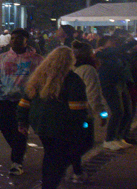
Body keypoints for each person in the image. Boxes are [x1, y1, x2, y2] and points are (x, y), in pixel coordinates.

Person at [17, 47, 90, 189]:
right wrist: (81, 126)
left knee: (50, 154)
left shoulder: (38, 77)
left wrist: (22, 121)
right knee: (59, 158)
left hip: (40, 124)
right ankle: (51, 184)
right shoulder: (72, 79)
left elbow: (25, 102)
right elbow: (78, 109)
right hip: (62, 126)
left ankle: (48, 183)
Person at [0, 27, 43, 176]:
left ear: (26, 41)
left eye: (19, 38)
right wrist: (4, 90)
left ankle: (16, 162)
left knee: (20, 130)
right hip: (5, 99)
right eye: (13, 38)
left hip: (26, 102)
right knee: (1, 121)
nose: (15, 41)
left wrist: (31, 93)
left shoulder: (37, 60)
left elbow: (43, 79)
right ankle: (19, 148)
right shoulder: (1, 58)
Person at [70, 40, 106, 183]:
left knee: (76, 142)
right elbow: (93, 95)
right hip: (83, 113)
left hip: (68, 111)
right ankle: (76, 171)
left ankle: (76, 170)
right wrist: (102, 113)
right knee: (85, 143)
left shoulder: (70, 67)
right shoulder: (88, 70)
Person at [97, 32, 134, 149]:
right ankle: (109, 139)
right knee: (118, 111)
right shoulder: (102, 53)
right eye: (110, 41)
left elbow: (131, 55)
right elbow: (119, 49)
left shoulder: (116, 54)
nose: (113, 43)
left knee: (128, 111)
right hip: (110, 84)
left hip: (120, 83)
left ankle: (119, 137)